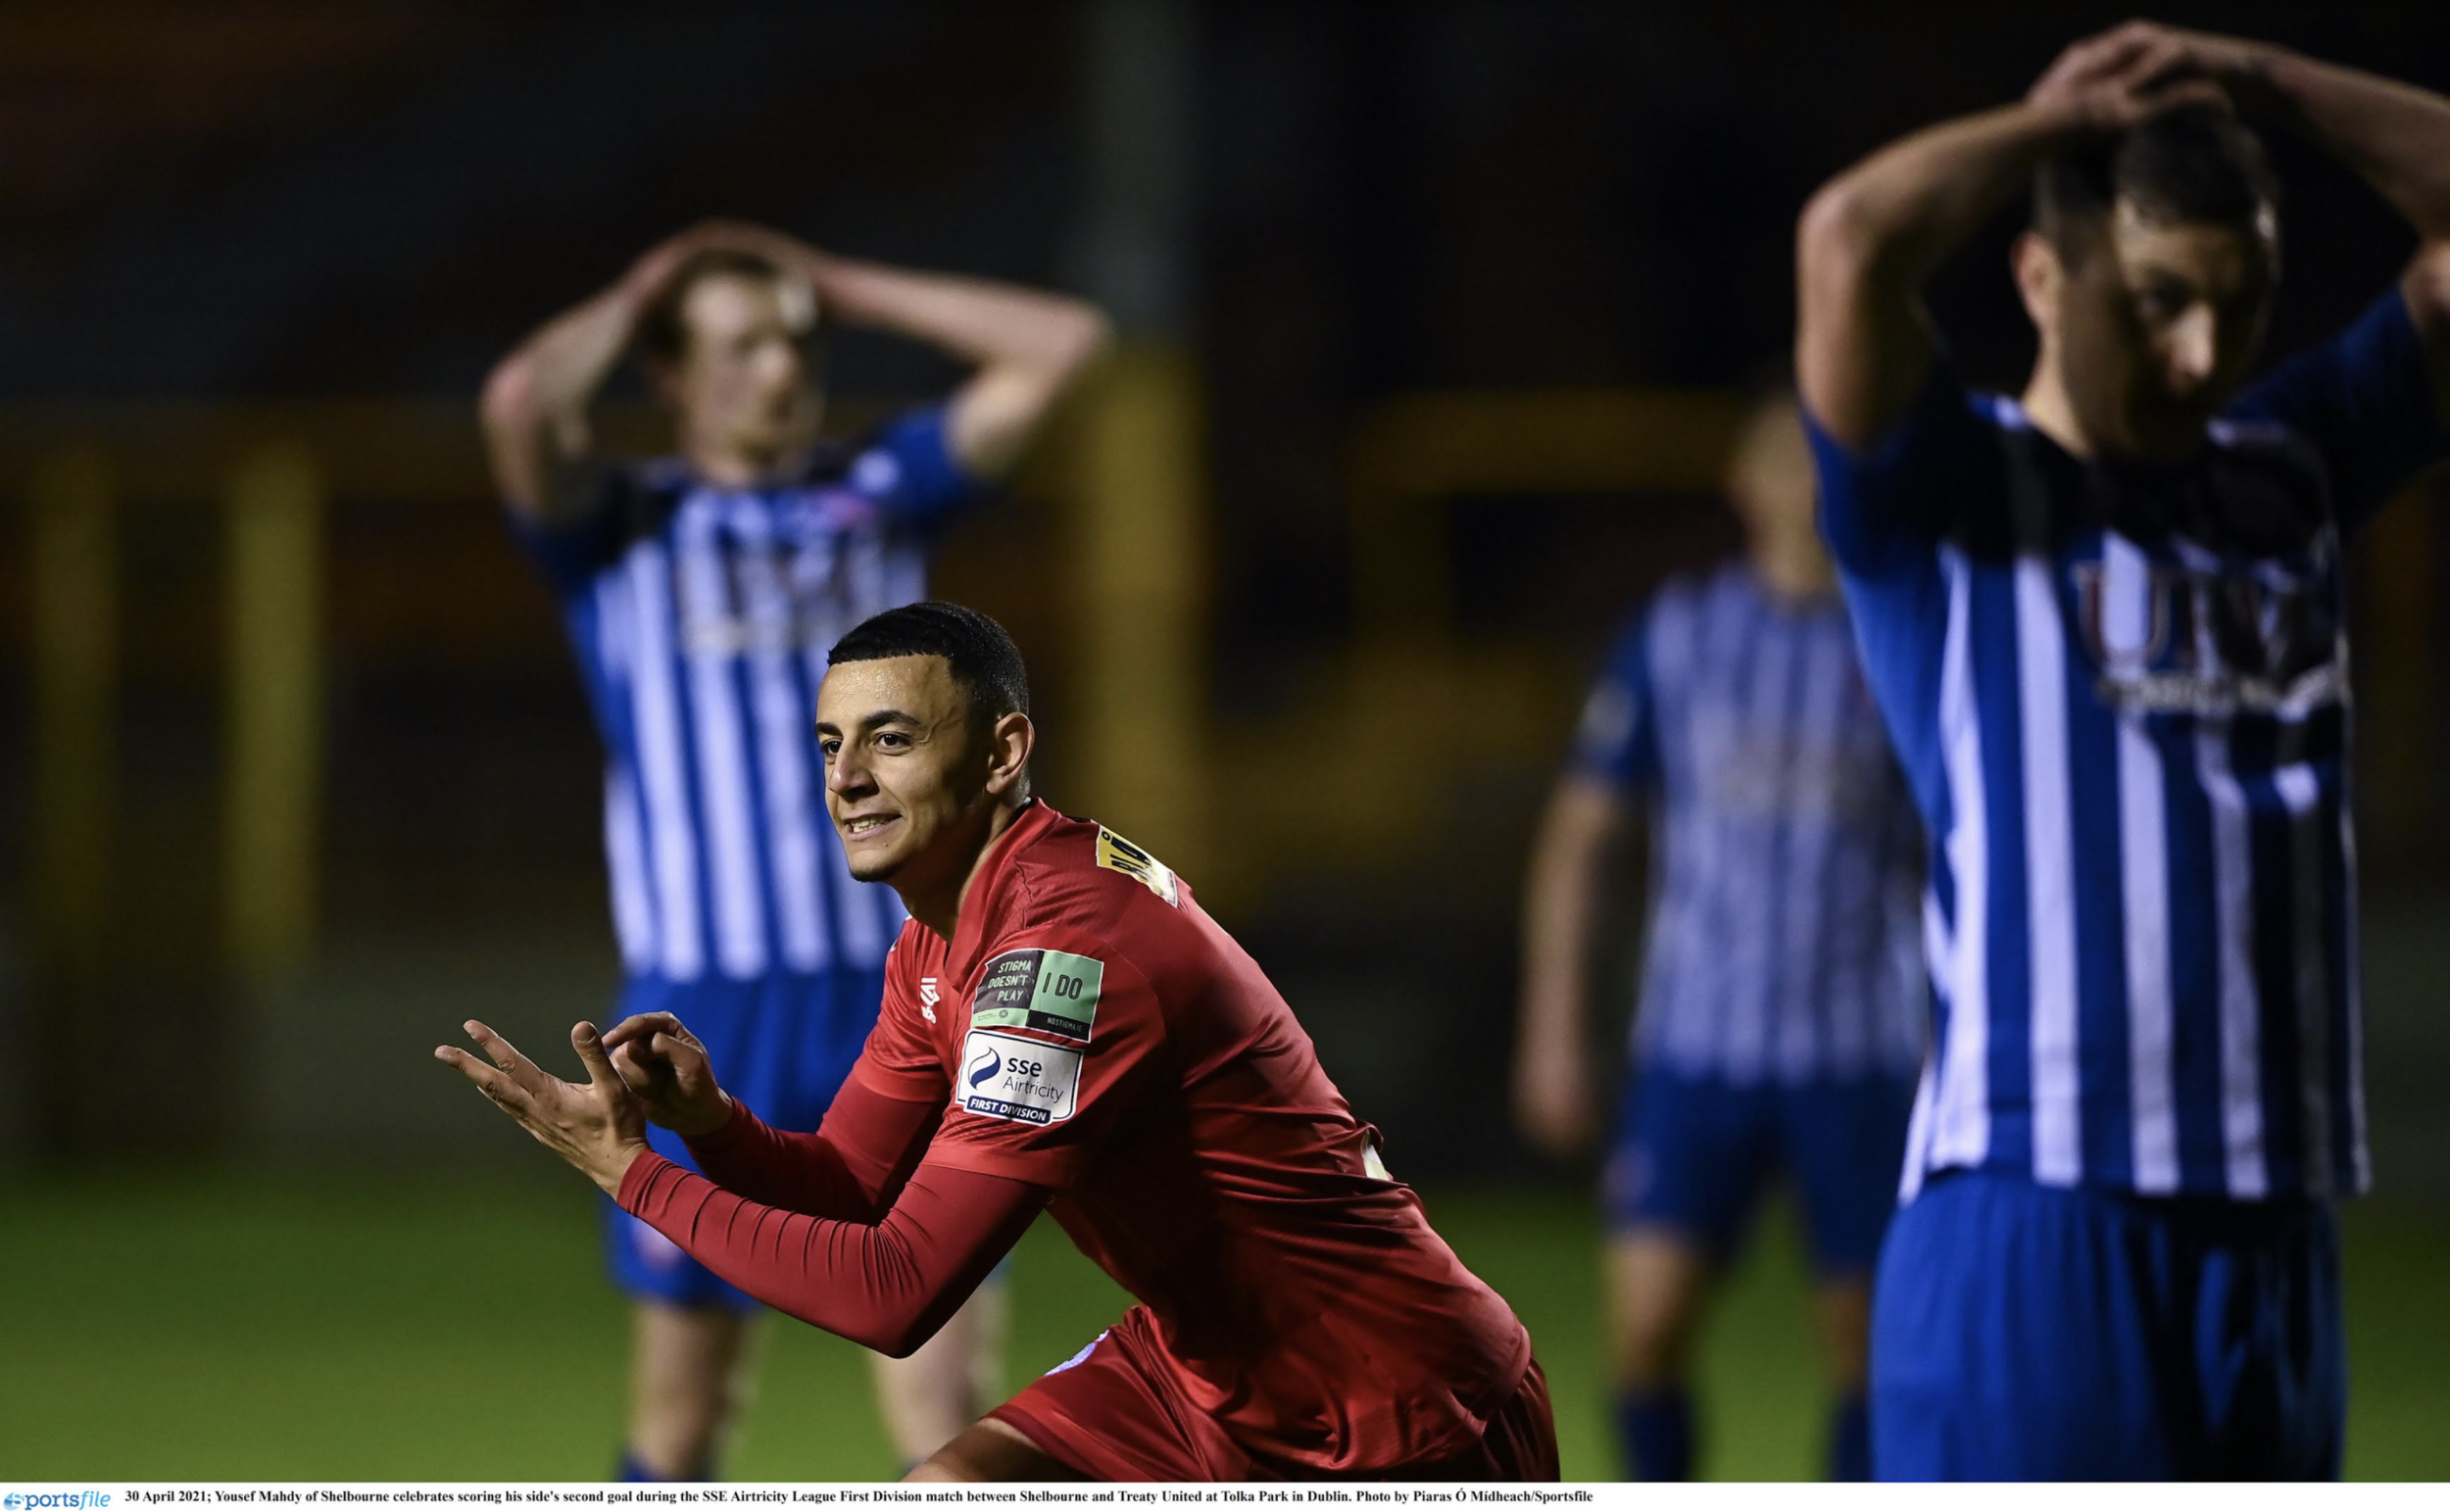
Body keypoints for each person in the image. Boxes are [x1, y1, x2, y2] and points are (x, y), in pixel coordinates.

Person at [437, 602, 1559, 1483]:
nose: (846, 779)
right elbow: (855, 1186)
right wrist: (709, 1128)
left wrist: (633, 1177)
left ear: (1000, 748)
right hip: (1202, 1366)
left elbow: (896, 1290)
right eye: (830, 743)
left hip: (1393, 1400)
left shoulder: (1062, 959)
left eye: (890, 739)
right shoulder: (940, 943)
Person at [1794, 20, 2450, 1479]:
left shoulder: (2292, 467)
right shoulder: (1947, 498)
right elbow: (1847, 241)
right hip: (2037, 1212)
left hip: (2276, 1230)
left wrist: (2271, 87)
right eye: (2159, 302)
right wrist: (2055, 124)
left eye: (2240, 303)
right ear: (2042, 275)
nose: (2204, 354)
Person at [478, 222, 1108, 1479]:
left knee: (951, 1399)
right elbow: (517, 403)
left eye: (794, 341)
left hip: (913, 993)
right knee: (686, 1417)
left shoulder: (875, 494)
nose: (779, 369)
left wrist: (847, 280)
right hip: (704, 1006)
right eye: (741, 344)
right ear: (671, 374)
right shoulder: (621, 529)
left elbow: (1064, 346)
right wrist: (642, 286)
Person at [1512, 388, 1923, 1482]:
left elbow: (1956, 851)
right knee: (1644, 1332)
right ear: (1741, 485)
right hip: (1695, 1046)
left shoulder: (1903, 636)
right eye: (1782, 460)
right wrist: (1553, 1027)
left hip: (1860, 1051)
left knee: (1871, 1359)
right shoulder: (1677, 635)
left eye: (1825, 461)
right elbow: (1581, 835)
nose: (1805, 483)